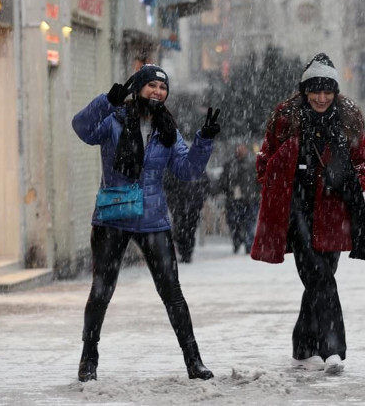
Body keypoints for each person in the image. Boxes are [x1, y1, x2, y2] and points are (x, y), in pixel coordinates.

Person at [71, 64, 221, 382]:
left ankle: (194, 361)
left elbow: (187, 171)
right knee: (101, 291)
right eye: (151, 85)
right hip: (112, 217)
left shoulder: (168, 130)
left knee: (172, 293)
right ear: (137, 88)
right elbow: (81, 128)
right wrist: (105, 101)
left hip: (153, 220)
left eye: (162, 87)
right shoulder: (113, 120)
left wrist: (204, 141)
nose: (157, 91)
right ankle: (89, 358)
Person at [250, 53, 365, 375]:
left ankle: (303, 345)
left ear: (335, 91)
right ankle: (332, 348)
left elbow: (362, 158)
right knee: (319, 276)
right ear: (305, 90)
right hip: (296, 209)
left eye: (327, 91)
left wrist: (353, 180)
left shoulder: (348, 116)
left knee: (322, 276)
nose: (321, 98)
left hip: (335, 210)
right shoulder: (286, 115)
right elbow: (266, 157)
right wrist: (276, 183)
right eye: (315, 91)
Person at [220, 143, 260, 254]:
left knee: (249, 224)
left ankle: (248, 245)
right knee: (234, 223)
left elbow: (259, 181)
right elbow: (223, 182)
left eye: (243, 149)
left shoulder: (253, 165)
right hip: (234, 200)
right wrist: (229, 189)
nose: (240, 151)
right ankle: (237, 241)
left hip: (251, 200)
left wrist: (257, 194)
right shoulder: (230, 165)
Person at [163, 169, 211, 263]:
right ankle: (183, 251)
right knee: (180, 229)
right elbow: (167, 185)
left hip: (193, 206)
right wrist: (172, 201)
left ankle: (188, 252)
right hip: (179, 205)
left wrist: (200, 198)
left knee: (190, 229)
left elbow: (205, 184)